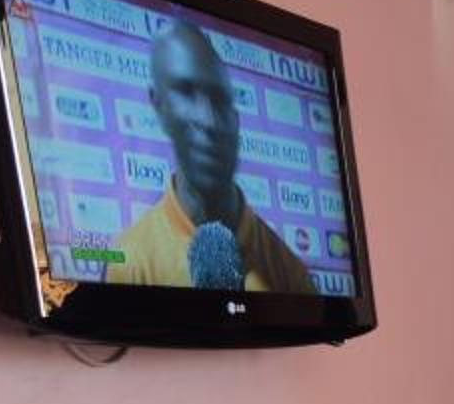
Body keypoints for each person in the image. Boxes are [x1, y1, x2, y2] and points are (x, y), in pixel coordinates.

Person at [107, 20, 319, 292]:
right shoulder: (130, 262)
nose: (208, 120)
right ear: (159, 106)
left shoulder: (289, 273)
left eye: (219, 99)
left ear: (236, 121)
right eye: (186, 92)